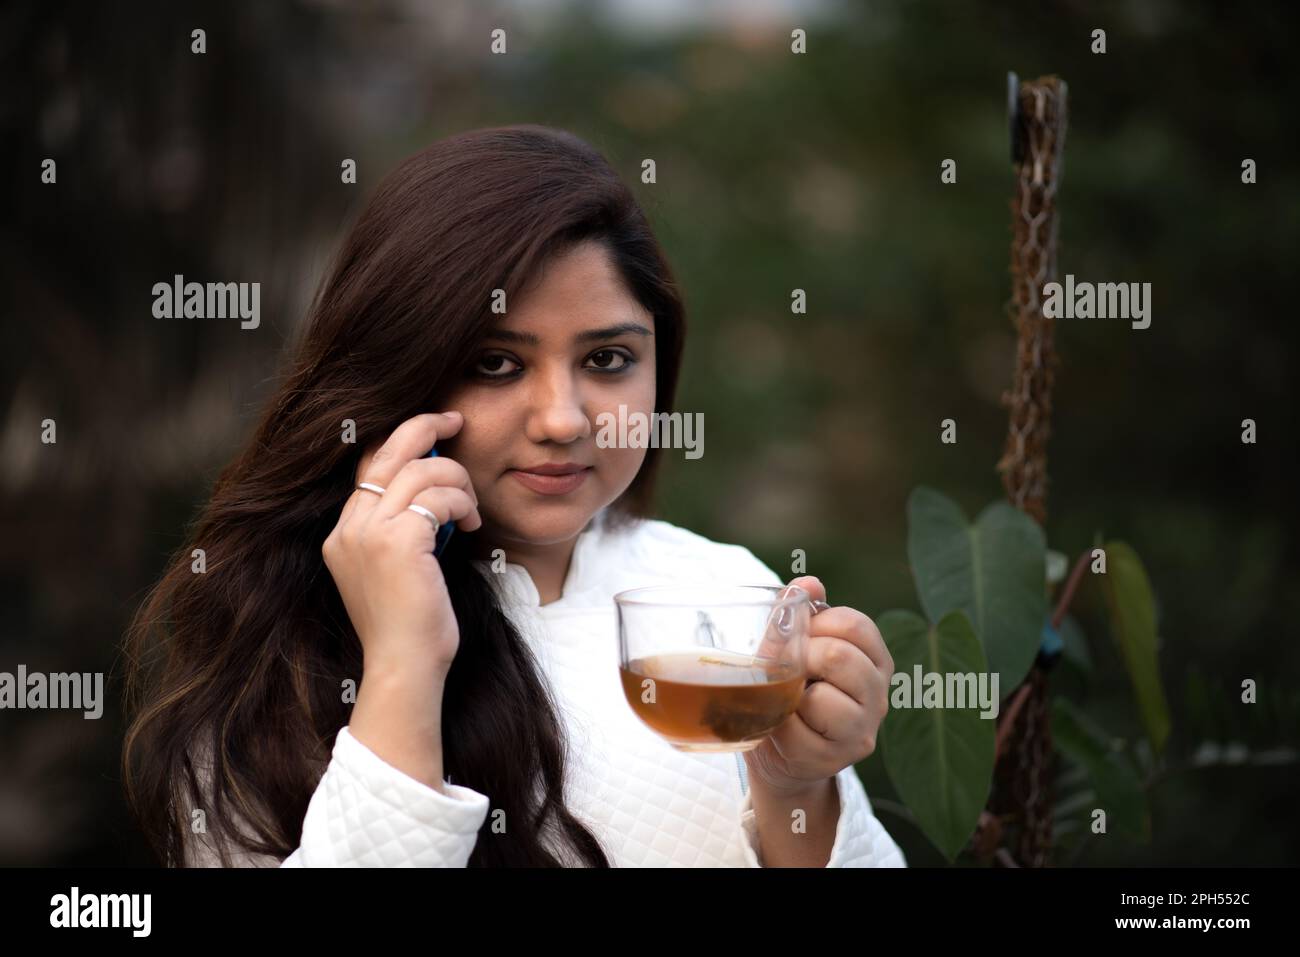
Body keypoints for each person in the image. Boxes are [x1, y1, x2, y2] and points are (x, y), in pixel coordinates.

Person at [121, 125, 905, 868]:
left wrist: (796, 787)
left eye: (606, 358)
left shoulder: (724, 591)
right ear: (398, 371)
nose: (563, 419)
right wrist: (403, 662)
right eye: (497, 364)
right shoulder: (278, 647)